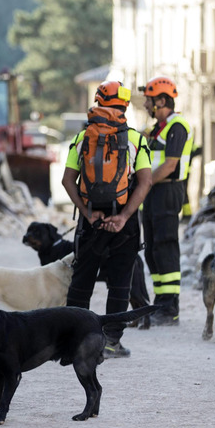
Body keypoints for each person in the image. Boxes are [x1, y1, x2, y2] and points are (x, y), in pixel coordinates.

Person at [62, 82, 152, 359]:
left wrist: (88, 213)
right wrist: (124, 216)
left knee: (82, 280)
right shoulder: (136, 139)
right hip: (124, 223)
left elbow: (67, 180)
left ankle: (75, 342)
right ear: (124, 106)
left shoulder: (81, 138)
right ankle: (111, 342)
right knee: (120, 282)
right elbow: (146, 181)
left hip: (91, 221)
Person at [138, 76, 194, 326]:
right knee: (152, 249)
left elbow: (170, 164)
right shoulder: (156, 128)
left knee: (166, 246)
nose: (145, 106)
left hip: (168, 192)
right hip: (152, 193)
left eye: (149, 101)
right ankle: (160, 302)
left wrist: (143, 183)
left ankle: (170, 308)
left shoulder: (177, 126)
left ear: (162, 100)